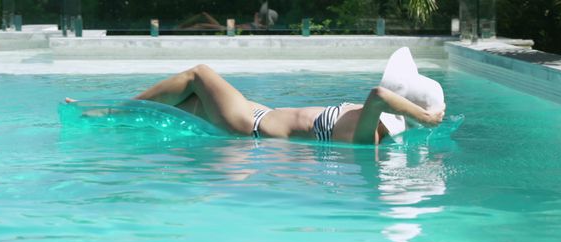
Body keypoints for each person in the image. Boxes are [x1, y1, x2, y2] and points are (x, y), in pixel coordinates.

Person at [66, 64, 445, 145]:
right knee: (183, 101)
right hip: (260, 113)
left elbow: (378, 97)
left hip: (252, 127)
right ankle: (108, 119)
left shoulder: (368, 136)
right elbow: (382, 96)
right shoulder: (370, 122)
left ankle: (111, 109)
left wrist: (426, 118)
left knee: (199, 76)